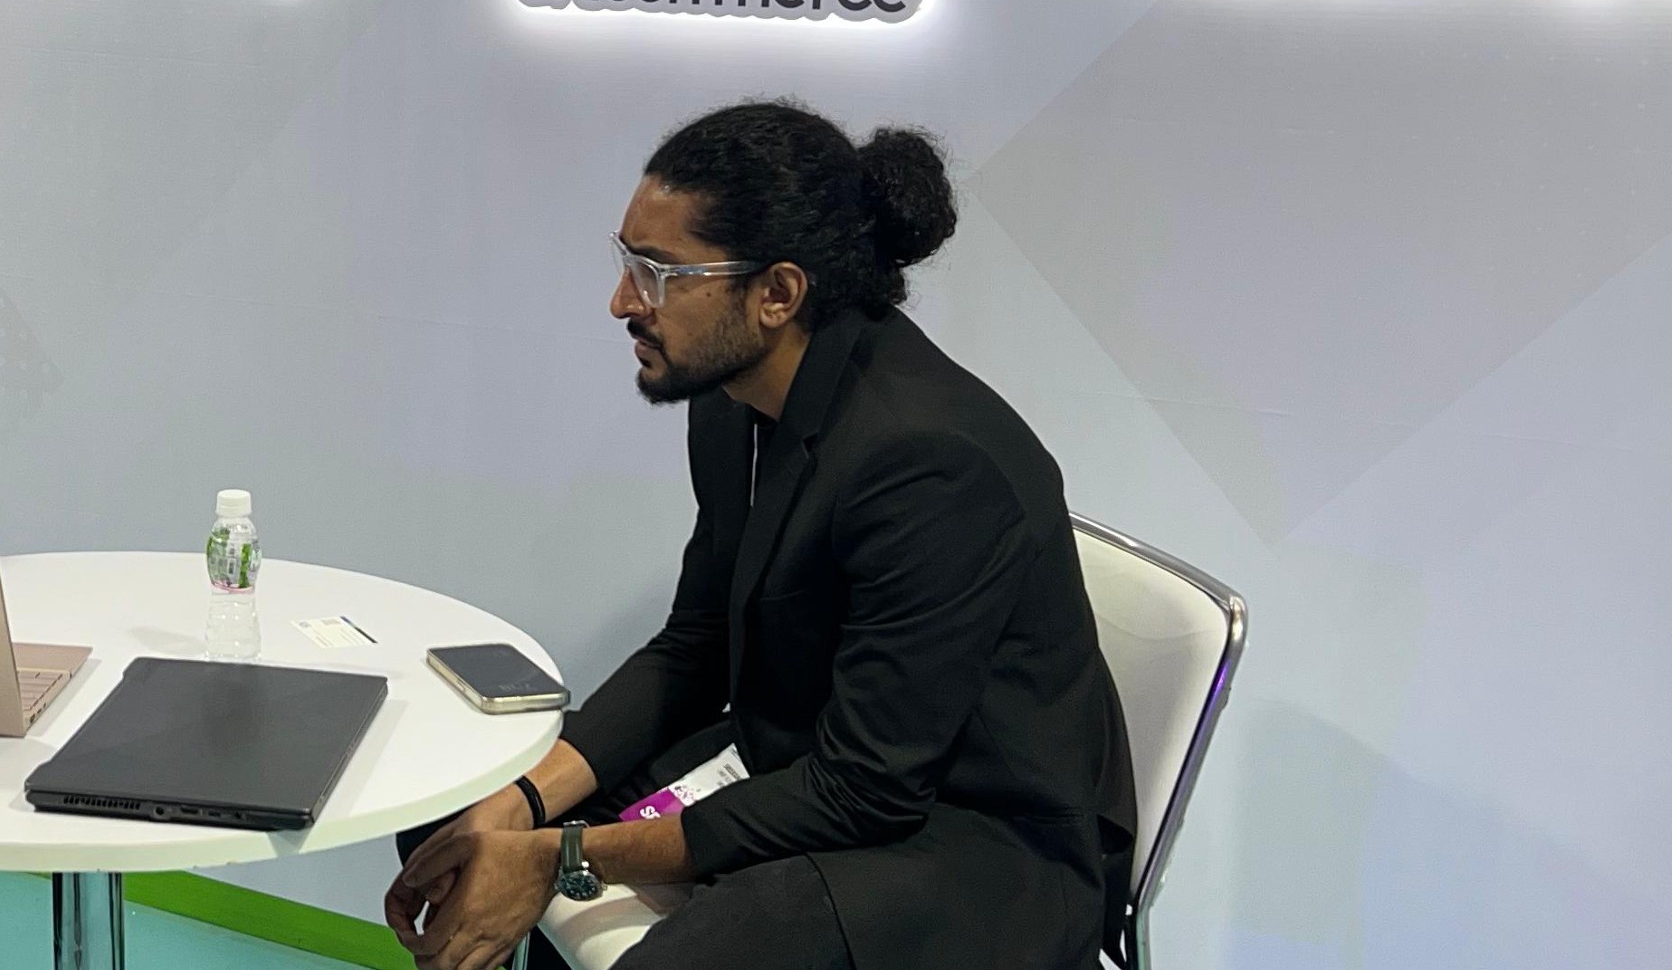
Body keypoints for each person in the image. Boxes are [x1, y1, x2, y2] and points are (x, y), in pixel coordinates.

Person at [388, 103, 1132, 970]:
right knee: (452, 824)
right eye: (627, 261)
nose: (623, 301)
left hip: (978, 839)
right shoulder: (731, 398)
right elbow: (697, 647)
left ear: (777, 293)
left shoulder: (932, 460)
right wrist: (519, 805)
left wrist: (564, 854)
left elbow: (867, 788)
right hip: (808, 760)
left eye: (658, 273)